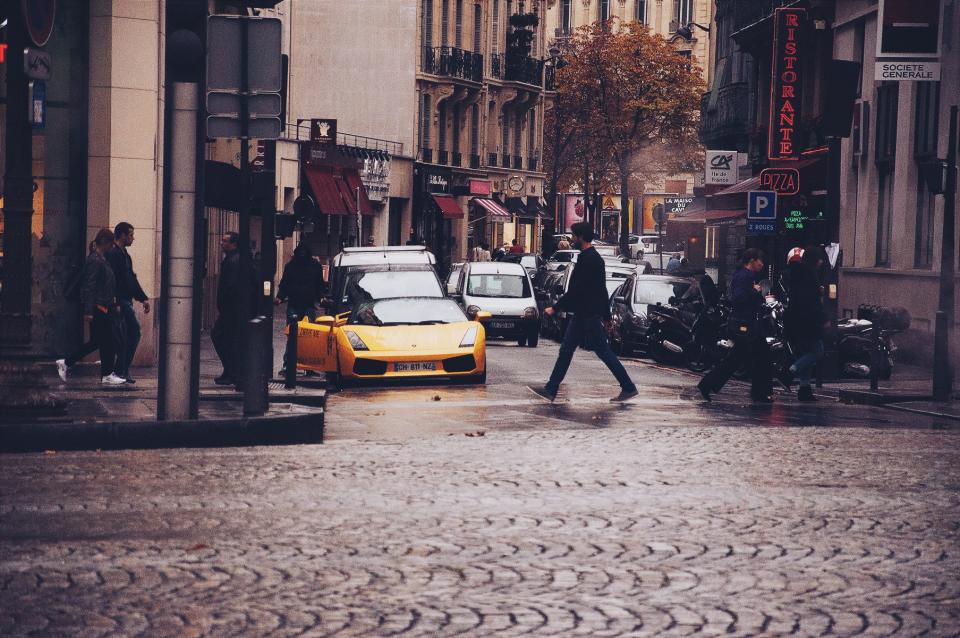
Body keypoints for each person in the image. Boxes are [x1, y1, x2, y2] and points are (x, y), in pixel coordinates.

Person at [529, 221, 639, 403]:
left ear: (581, 237)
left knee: (598, 351)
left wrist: (555, 307)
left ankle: (628, 386)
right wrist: (606, 316)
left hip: (585, 315)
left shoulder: (587, 259)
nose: (572, 239)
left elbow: (576, 290)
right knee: (571, 350)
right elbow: (601, 290)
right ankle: (551, 388)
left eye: (573, 236)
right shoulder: (595, 259)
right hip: (586, 314)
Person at [697, 248, 773, 402]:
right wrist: (756, 292)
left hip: (747, 324)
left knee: (737, 359)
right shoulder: (745, 276)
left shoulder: (744, 275)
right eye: (760, 260)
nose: (762, 264)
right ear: (752, 260)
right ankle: (760, 393)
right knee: (762, 357)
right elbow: (738, 298)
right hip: (746, 324)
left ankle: (708, 384)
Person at [56, 229, 126, 386]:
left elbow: (104, 284)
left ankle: (67, 363)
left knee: (99, 341)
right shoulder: (95, 260)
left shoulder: (101, 259)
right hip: (98, 307)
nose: (112, 247)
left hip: (104, 305)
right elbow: (89, 286)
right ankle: (106, 374)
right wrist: (88, 311)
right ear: (105, 242)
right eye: (111, 244)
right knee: (107, 341)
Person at [106, 222, 150, 384]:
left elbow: (131, 278)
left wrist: (143, 297)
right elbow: (112, 281)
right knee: (131, 333)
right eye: (130, 234)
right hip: (120, 301)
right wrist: (115, 302)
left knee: (127, 335)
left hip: (126, 300)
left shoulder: (124, 255)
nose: (133, 238)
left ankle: (122, 370)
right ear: (122, 235)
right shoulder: (113, 254)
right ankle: (120, 370)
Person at [782, 246, 826, 401]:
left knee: (805, 353)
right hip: (807, 322)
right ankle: (789, 372)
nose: (821, 262)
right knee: (817, 351)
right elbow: (812, 302)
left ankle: (804, 389)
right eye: (820, 259)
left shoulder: (797, 274)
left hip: (795, 321)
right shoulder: (810, 276)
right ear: (814, 260)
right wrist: (823, 318)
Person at [276, 243, 325, 376]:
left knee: (293, 335)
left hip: (298, 304)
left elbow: (284, 284)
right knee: (304, 336)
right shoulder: (313, 266)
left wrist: (280, 297)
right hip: (306, 304)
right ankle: (306, 367)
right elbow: (320, 285)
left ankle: (290, 366)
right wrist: (321, 297)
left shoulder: (291, 266)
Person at [211, 231, 246, 386]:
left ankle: (231, 370)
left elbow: (231, 287)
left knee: (219, 336)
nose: (221, 243)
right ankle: (230, 370)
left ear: (233, 243)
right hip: (231, 309)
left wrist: (225, 306)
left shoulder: (234, 260)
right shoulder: (233, 259)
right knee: (226, 339)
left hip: (231, 310)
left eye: (225, 241)